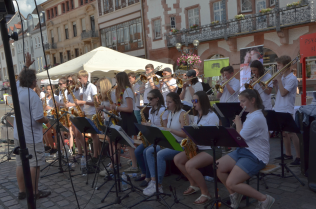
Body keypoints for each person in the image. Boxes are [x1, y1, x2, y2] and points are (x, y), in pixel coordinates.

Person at [217, 89, 274, 209]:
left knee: (231, 182)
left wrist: (238, 122)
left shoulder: (256, 118)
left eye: (243, 101)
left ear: (252, 100)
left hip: (256, 155)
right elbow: (243, 137)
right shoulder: (251, 115)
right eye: (240, 101)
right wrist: (239, 124)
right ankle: (235, 194)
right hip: (245, 150)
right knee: (217, 166)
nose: (240, 104)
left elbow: (239, 139)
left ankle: (264, 199)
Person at [174, 91, 222, 205]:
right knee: (178, 160)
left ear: (203, 102)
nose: (193, 103)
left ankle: (205, 193)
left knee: (190, 165)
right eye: (192, 101)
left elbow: (213, 136)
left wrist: (197, 133)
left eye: (195, 101)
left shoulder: (212, 116)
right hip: (199, 147)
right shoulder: (196, 116)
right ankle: (193, 184)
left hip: (211, 149)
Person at [14, 64, 51, 200]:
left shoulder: (18, 89)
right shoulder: (33, 96)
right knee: (34, 163)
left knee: (20, 163)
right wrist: (47, 120)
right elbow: (38, 118)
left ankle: (22, 191)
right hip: (31, 136)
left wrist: (25, 65)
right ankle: (34, 192)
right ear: (33, 81)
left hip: (19, 134)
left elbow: (19, 78)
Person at [143, 92, 188, 195]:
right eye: (166, 101)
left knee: (160, 154)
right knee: (149, 151)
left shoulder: (183, 114)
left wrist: (170, 130)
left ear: (176, 102)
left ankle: (159, 186)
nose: (167, 104)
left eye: (169, 102)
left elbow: (185, 135)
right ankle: (153, 181)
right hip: (171, 141)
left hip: (180, 144)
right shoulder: (170, 113)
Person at [134, 89, 168, 187]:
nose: (148, 101)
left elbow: (165, 128)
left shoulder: (162, 110)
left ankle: (149, 177)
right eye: (148, 98)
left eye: (150, 98)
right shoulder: (152, 110)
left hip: (160, 138)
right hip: (152, 137)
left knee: (146, 152)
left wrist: (150, 125)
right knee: (137, 151)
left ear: (157, 99)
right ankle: (144, 173)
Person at [273, 56, 301, 166]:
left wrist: (279, 80)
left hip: (287, 108)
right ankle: (288, 154)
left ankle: (299, 156)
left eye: (279, 65)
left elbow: (284, 93)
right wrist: (276, 85)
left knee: (292, 133)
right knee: (284, 133)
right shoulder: (283, 77)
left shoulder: (291, 78)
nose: (277, 67)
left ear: (285, 66)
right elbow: (279, 93)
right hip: (279, 107)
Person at [110, 72, 139, 173]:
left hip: (128, 118)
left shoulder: (127, 91)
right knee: (120, 142)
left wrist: (117, 107)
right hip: (123, 117)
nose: (116, 81)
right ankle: (115, 163)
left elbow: (130, 109)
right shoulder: (123, 90)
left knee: (129, 142)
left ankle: (134, 165)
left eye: (117, 79)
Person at [75, 70, 101, 165]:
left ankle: (95, 156)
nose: (79, 80)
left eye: (80, 78)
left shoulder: (92, 87)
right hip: (86, 113)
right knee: (88, 135)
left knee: (94, 135)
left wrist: (82, 102)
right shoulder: (84, 86)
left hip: (92, 113)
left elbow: (96, 102)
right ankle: (90, 153)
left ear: (85, 77)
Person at [64, 75, 83, 154]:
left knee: (79, 134)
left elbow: (81, 103)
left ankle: (86, 153)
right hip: (72, 114)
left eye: (71, 81)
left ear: (75, 81)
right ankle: (80, 153)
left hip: (79, 113)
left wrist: (71, 104)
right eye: (68, 81)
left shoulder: (79, 90)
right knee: (75, 135)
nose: (69, 82)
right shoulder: (70, 91)